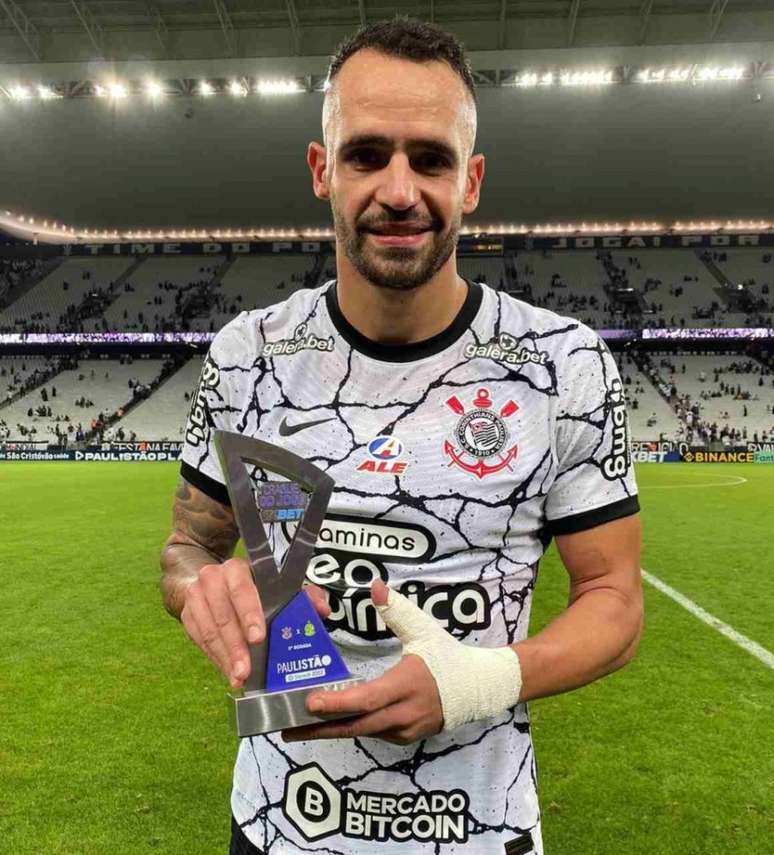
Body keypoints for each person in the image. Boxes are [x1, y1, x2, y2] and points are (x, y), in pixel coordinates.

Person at [160, 18, 642, 855]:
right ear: (322, 169)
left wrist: (482, 679)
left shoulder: (564, 365)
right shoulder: (248, 355)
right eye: (366, 154)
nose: (398, 189)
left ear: (473, 181)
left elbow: (616, 602)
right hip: (280, 825)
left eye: (430, 158)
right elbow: (186, 548)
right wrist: (202, 589)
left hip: (479, 832)